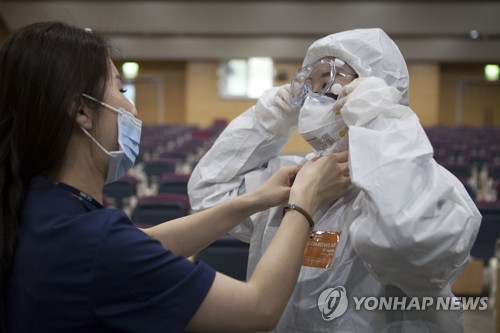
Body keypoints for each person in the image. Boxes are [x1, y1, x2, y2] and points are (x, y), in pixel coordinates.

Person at [0, 21, 352, 332]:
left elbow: (148, 243)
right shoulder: (93, 244)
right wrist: (304, 201)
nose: (131, 108)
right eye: (120, 90)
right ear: (81, 111)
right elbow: (257, 308)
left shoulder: (43, 204)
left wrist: (253, 199)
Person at [188, 28, 482, 332]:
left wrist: (380, 121)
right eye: (309, 88)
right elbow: (209, 193)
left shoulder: (424, 186)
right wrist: (268, 120)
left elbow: (409, 242)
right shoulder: (293, 177)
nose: (312, 101)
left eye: (329, 86)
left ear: (374, 89)